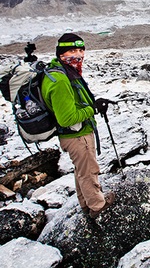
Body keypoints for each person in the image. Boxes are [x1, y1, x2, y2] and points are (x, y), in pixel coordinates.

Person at [41, 33, 115, 219]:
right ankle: (98, 207)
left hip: (76, 134)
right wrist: (93, 109)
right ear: (61, 53)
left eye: (81, 50)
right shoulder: (60, 81)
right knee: (89, 171)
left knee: (82, 171)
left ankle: (85, 203)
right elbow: (67, 118)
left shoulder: (63, 72)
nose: (79, 54)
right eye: (72, 50)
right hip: (76, 135)